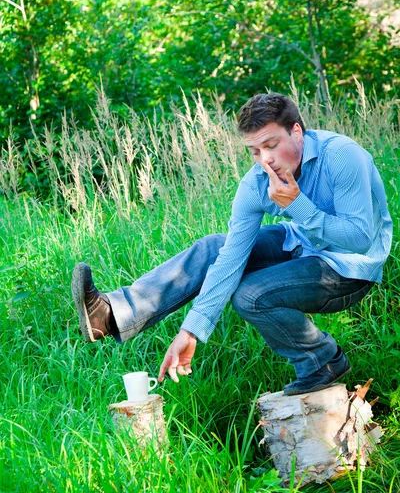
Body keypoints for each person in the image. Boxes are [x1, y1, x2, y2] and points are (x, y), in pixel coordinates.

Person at [72, 93, 392, 395]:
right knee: (213, 248)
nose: (265, 159)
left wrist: (297, 204)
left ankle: (322, 360)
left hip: (351, 267)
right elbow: (230, 260)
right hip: (303, 245)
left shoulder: (341, 156)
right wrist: (191, 331)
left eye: (272, 144)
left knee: (252, 295)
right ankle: (113, 314)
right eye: (255, 150)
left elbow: (360, 240)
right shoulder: (256, 183)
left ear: (297, 132)